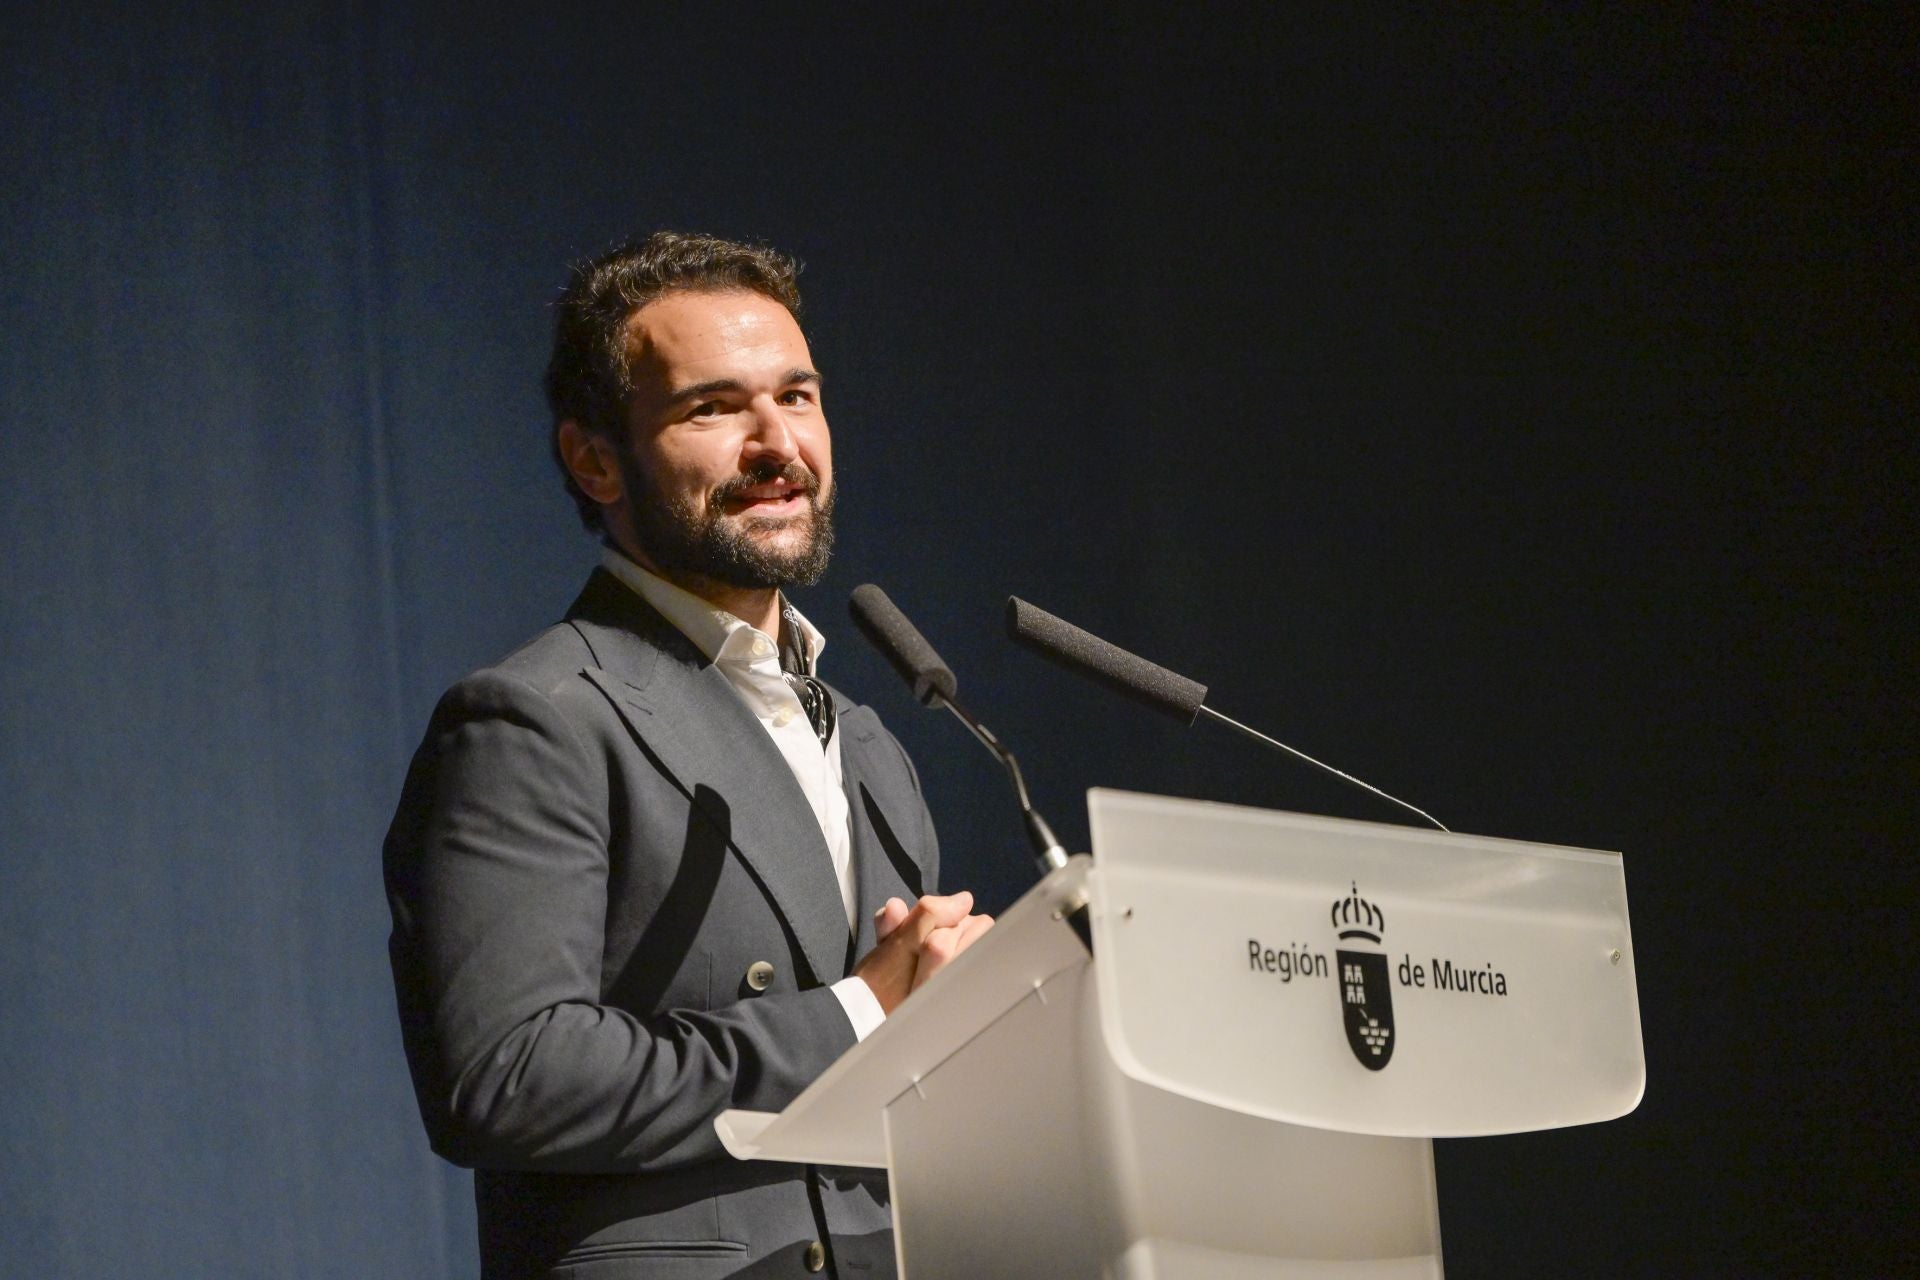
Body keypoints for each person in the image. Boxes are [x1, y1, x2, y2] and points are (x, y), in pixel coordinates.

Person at [384, 230, 992, 1279]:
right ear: (594, 457)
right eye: (713, 407)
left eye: (797, 396)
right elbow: (506, 1074)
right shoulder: (537, 717)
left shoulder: (874, 741)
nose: (777, 444)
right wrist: (859, 1011)